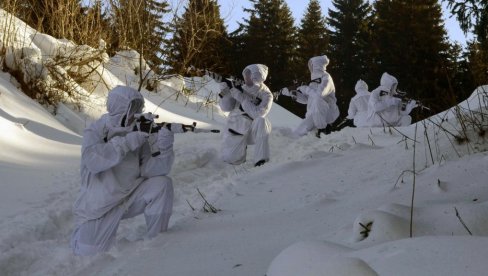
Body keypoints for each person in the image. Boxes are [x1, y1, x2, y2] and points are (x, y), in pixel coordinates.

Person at [71, 85, 176, 256]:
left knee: (162, 184)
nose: (134, 114)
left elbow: (150, 170)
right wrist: (127, 142)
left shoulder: (137, 132)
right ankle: (81, 236)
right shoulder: (95, 131)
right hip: (100, 205)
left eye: (137, 108)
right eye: (131, 109)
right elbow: (93, 161)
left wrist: (165, 146)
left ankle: (158, 242)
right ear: (119, 109)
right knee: (88, 253)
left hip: (129, 196)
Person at [218, 64, 273, 167]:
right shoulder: (240, 88)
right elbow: (226, 108)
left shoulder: (266, 94)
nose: (246, 77)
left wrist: (242, 98)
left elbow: (258, 113)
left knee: (262, 121)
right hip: (235, 126)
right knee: (230, 161)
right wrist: (225, 91)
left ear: (256, 76)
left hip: (253, 129)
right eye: (245, 74)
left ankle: (261, 160)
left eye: (249, 74)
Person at [280, 55, 339, 138]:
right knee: (297, 134)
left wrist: (305, 89)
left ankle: (323, 130)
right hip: (313, 114)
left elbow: (319, 95)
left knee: (318, 101)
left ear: (317, 65)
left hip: (327, 112)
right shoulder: (313, 82)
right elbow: (306, 100)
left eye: (312, 65)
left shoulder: (326, 78)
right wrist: (295, 94)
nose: (310, 68)